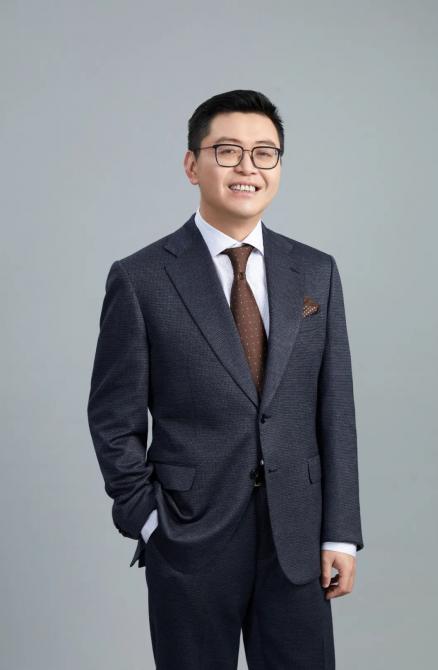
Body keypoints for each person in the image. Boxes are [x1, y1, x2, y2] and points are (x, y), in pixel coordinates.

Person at [87, 89, 364, 669]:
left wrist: (339, 533)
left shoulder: (316, 271)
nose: (248, 167)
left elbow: (335, 408)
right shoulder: (141, 278)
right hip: (188, 535)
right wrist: (147, 519)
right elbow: (113, 418)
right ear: (193, 165)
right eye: (228, 151)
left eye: (265, 153)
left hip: (297, 537)